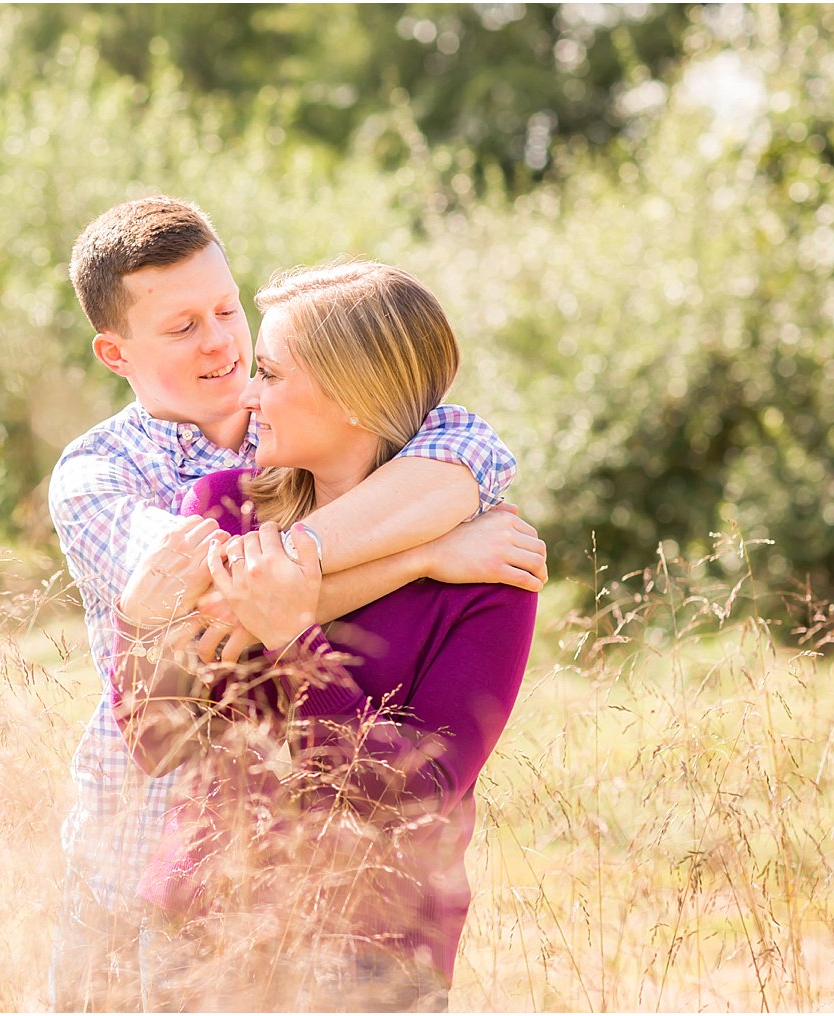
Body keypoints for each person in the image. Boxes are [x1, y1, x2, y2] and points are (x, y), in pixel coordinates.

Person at [46, 196, 546, 1010]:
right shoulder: (122, 478)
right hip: (154, 876)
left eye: (227, 314)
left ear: (352, 395)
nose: (238, 372)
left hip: (372, 945)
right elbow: (178, 696)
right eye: (182, 328)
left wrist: (290, 619)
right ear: (116, 351)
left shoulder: (482, 561)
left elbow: (473, 448)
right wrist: (410, 558)